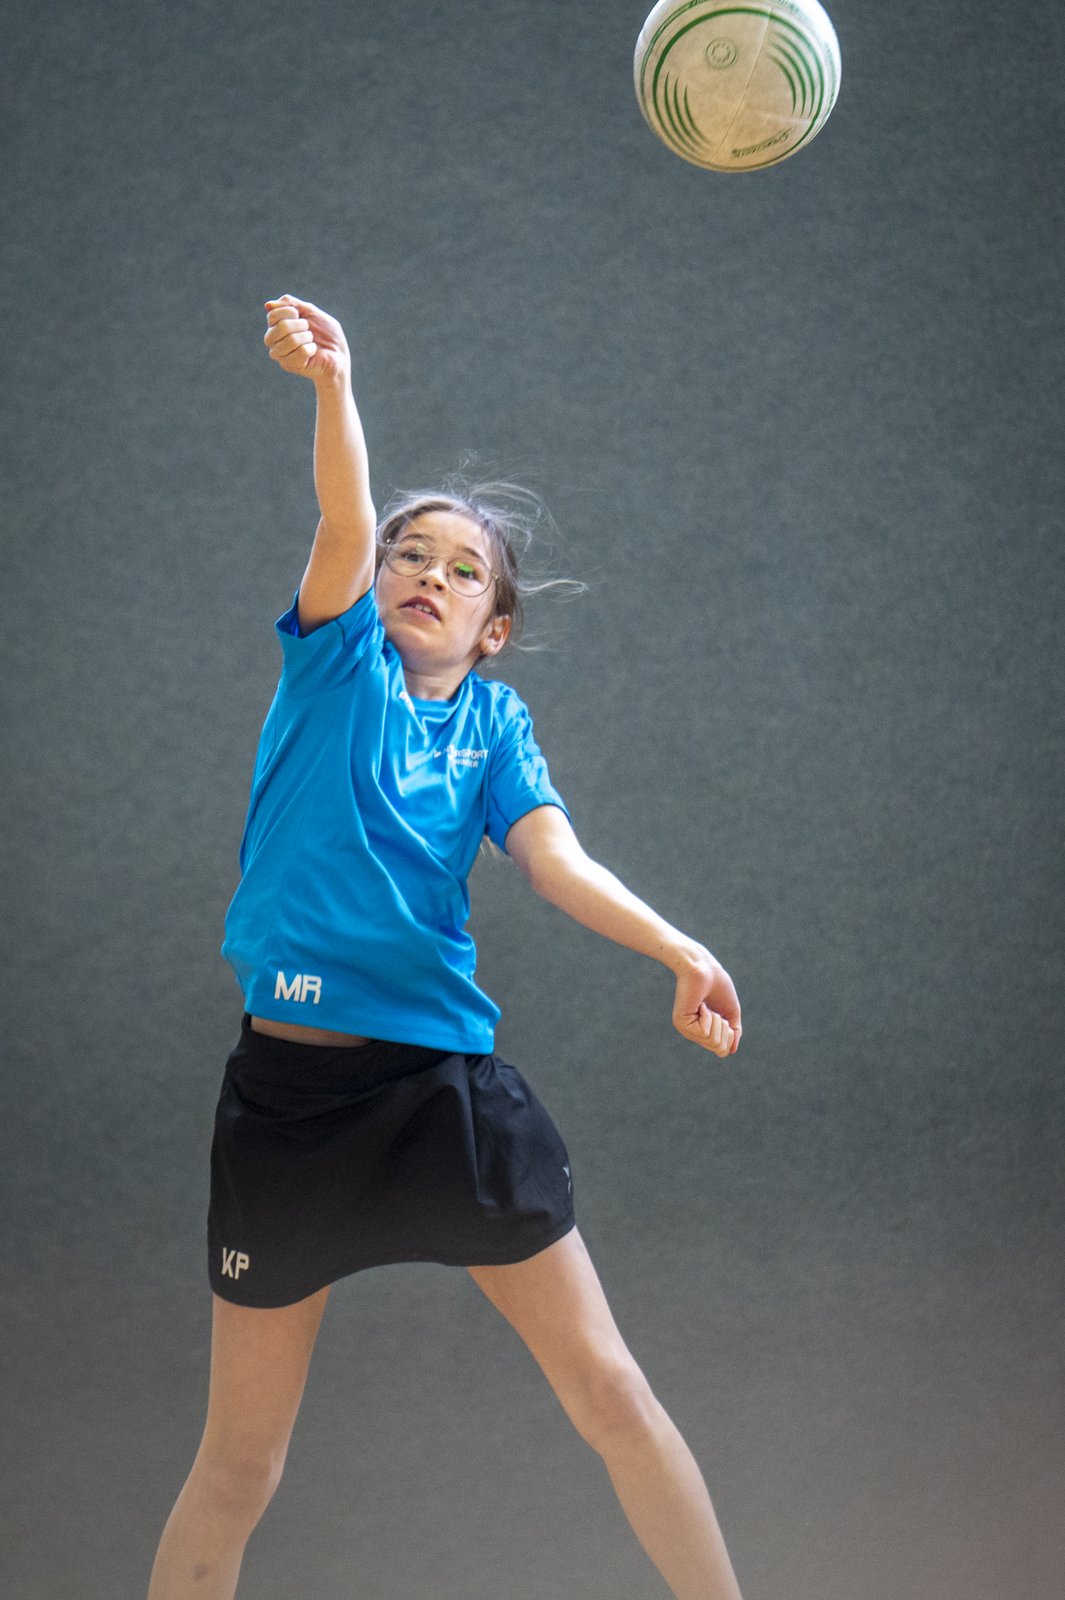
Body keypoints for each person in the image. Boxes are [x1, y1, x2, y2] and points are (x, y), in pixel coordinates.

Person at [147, 295, 744, 1600]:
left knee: (610, 1391)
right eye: (408, 555)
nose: (427, 573)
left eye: (463, 571)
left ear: (495, 630)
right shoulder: (334, 664)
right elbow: (343, 518)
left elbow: (555, 861)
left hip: (442, 1096)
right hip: (288, 1105)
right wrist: (334, 388)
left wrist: (676, 947)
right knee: (239, 1465)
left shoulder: (493, 728)